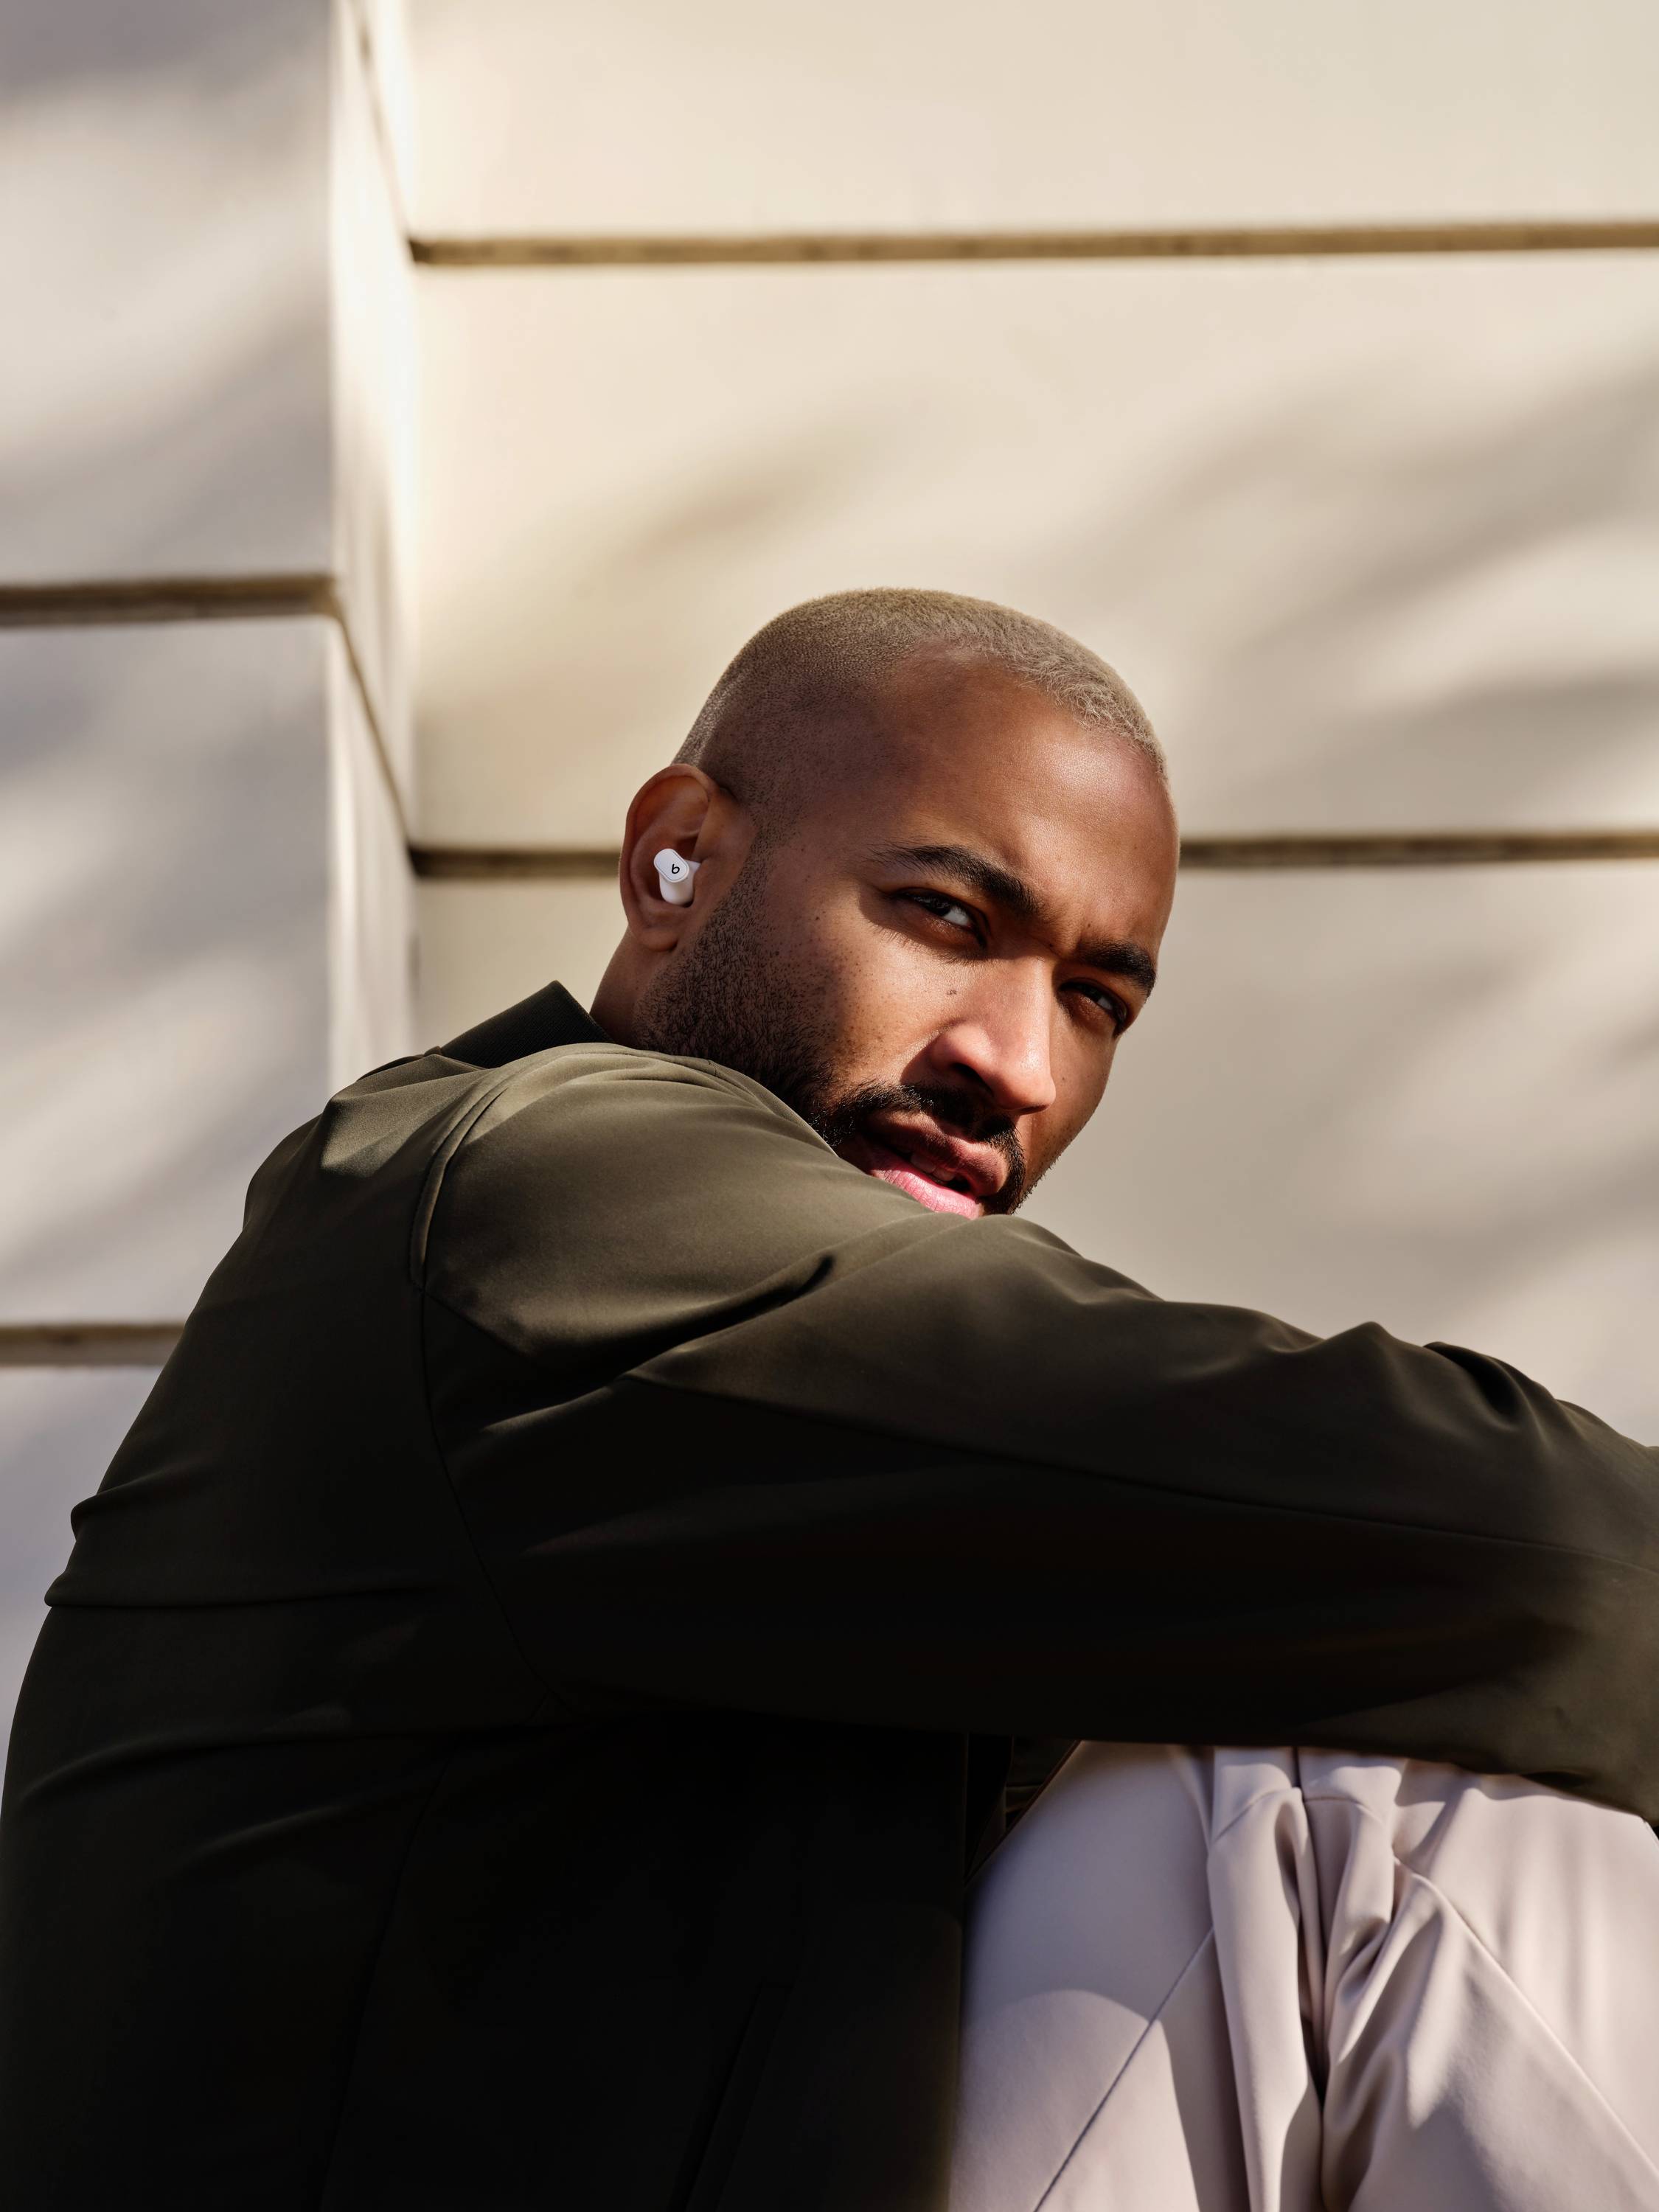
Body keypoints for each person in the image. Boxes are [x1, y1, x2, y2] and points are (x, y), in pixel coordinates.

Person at [0, 588, 1655, 2211]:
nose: (1020, 1065)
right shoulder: (536, 1199)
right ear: (677, 858)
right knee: (1372, 1819)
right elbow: (1545, 1550)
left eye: (1096, 1000)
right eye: (946, 918)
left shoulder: (795, 1434)